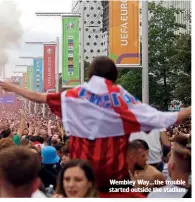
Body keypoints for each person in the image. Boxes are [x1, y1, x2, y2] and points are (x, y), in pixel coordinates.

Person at [0, 56, 191, 193]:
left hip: (80, 185)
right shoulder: (123, 99)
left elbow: (40, 97)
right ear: (114, 76)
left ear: (91, 74)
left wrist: (11, 87)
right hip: (117, 185)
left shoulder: (73, 96)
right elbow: (167, 118)